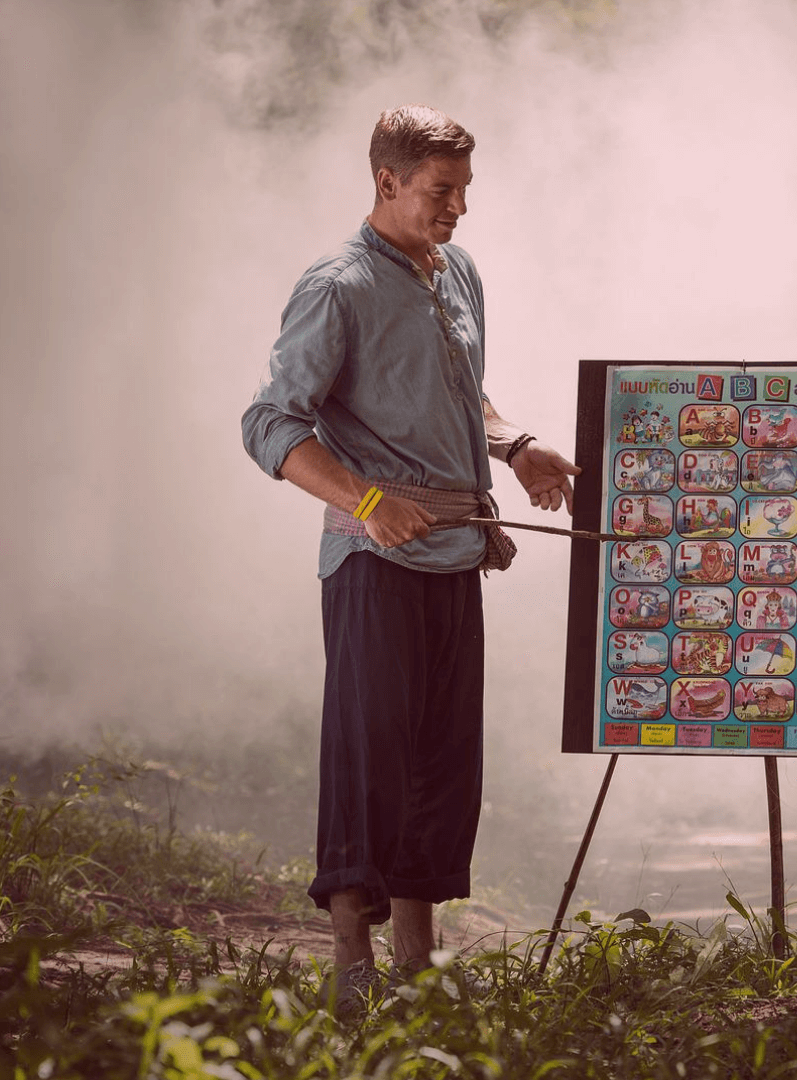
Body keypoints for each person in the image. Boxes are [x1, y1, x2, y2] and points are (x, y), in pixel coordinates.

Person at [240, 105, 580, 998]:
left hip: (454, 552)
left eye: (465, 189)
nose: (459, 207)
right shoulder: (336, 286)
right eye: (442, 190)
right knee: (370, 754)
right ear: (387, 181)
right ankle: (353, 972)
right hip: (373, 561)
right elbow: (270, 424)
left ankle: (417, 969)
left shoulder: (456, 270)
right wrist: (368, 500)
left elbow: (459, 390)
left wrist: (516, 445)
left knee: (441, 760)